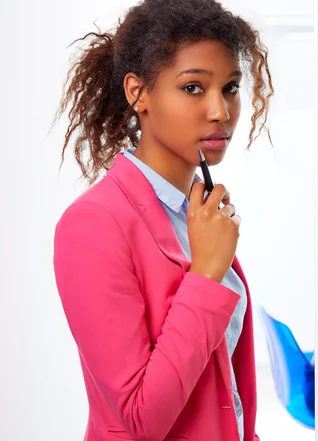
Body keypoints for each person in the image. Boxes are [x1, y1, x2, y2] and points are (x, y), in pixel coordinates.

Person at [51, 0, 274, 439]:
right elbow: (139, 417)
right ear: (138, 92)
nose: (220, 111)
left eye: (230, 87)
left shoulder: (198, 215)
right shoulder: (93, 224)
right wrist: (207, 274)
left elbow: (227, 387)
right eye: (194, 88)